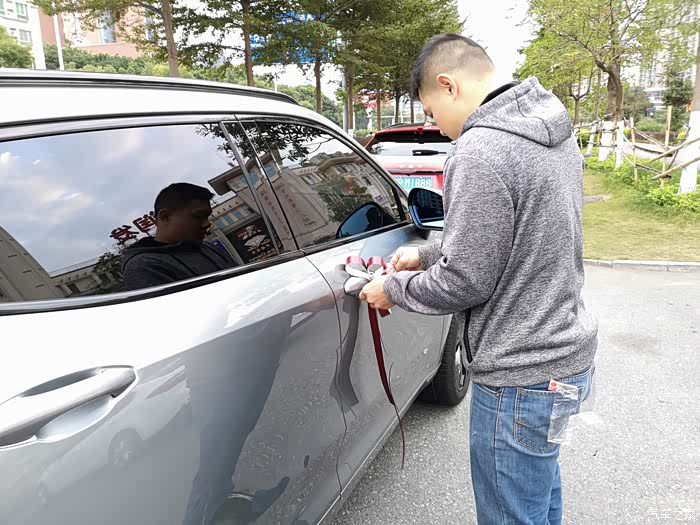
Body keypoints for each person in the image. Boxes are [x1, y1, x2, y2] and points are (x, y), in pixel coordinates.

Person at [359, 34, 597, 524]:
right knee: (537, 497)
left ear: (448, 85)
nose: (437, 126)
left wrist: (392, 289)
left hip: (519, 378)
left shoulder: (480, 149)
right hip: (564, 360)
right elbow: (519, 235)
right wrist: (425, 255)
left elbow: (465, 281)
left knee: (511, 514)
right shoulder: (550, 128)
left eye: (431, 111)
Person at [122, 183, 235, 290]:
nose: (207, 223)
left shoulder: (208, 247)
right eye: (199, 216)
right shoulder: (144, 267)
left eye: (207, 216)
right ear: (165, 217)